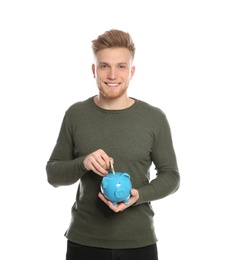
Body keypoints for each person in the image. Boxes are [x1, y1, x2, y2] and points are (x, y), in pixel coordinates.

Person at [46, 29, 180, 260]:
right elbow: (53, 175)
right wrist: (83, 163)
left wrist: (139, 195)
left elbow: (171, 176)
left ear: (132, 72)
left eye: (121, 66)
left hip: (139, 243)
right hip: (84, 243)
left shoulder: (154, 118)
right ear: (94, 70)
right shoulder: (76, 114)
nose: (112, 75)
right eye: (104, 66)